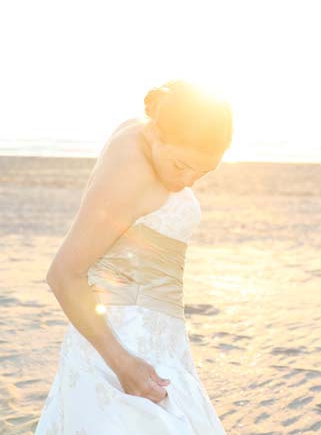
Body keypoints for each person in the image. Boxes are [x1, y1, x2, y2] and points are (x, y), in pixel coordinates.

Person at [34, 79, 233, 434]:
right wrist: (122, 364)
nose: (188, 181)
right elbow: (63, 274)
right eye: (181, 165)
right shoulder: (132, 168)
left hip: (158, 341)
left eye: (203, 173)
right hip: (126, 345)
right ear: (157, 132)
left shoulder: (137, 134)